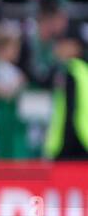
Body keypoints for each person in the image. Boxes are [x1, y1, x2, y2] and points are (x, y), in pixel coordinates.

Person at [44, 28, 88, 161]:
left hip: (73, 142)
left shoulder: (70, 71)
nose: (58, 49)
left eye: (62, 44)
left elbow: (71, 109)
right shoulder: (82, 70)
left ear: (74, 47)